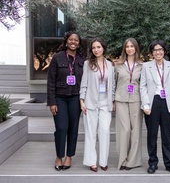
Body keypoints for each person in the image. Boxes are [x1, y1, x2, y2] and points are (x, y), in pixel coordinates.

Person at [140, 40, 170, 175]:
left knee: (166, 135)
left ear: (164, 51)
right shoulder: (146, 66)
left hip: (167, 103)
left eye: (160, 49)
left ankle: (169, 163)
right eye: (155, 50)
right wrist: (145, 105)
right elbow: (143, 86)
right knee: (152, 135)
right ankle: (153, 163)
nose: (158, 52)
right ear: (152, 52)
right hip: (153, 102)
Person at [47, 31, 86, 171]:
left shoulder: (83, 59)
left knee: (73, 128)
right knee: (61, 127)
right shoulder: (57, 58)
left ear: (79, 43)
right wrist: (52, 102)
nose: (73, 42)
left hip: (76, 97)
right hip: (60, 97)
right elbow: (50, 80)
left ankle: (69, 156)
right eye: (71, 39)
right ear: (66, 41)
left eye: (76, 40)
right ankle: (59, 156)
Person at [80, 38, 115, 172]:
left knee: (105, 131)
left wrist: (112, 101)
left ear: (103, 48)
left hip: (105, 103)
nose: (96, 50)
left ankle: (103, 161)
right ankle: (91, 161)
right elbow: (84, 83)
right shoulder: (88, 64)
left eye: (98, 47)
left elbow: (112, 85)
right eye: (94, 48)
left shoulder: (110, 65)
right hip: (90, 102)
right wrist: (81, 100)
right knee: (90, 133)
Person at [114, 38, 143, 170]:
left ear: (136, 48)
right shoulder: (118, 65)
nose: (129, 48)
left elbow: (144, 85)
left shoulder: (143, 66)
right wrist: (112, 100)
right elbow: (113, 84)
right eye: (127, 46)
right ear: (124, 49)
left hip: (136, 100)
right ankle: (122, 160)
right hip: (120, 99)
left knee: (135, 131)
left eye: (132, 46)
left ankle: (132, 161)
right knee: (124, 130)